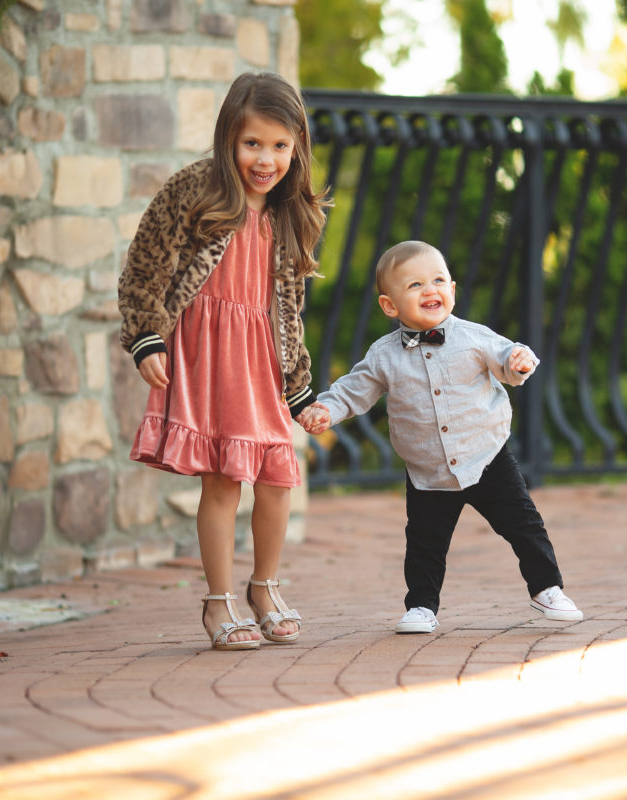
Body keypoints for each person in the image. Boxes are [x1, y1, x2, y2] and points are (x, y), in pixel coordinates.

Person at [118, 72, 329, 651]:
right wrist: (145, 337)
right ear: (227, 140)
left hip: (259, 354)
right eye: (252, 144)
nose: (266, 159)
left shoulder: (292, 212)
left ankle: (264, 586)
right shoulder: (196, 191)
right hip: (206, 351)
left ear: (297, 148)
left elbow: (289, 306)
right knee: (224, 481)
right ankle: (219, 602)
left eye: (280, 146)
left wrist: (298, 383)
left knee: (279, 475)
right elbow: (145, 264)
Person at [301, 240, 584, 634]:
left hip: (486, 457)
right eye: (414, 285)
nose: (430, 289)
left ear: (452, 289)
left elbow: (505, 356)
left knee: (524, 525)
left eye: (438, 280)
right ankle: (420, 606)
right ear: (390, 306)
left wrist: (517, 361)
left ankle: (547, 588)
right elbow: (355, 389)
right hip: (427, 468)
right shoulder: (383, 355)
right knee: (424, 543)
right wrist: (326, 408)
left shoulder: (472, 337)